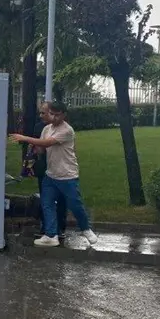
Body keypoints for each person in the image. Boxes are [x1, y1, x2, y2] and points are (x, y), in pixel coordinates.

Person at [9, 101, 98, 247]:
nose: (54, 118)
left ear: (64, 114)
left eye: (57, 115)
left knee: (75, 205)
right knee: (47, 203)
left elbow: (47, 143)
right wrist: (33, 150)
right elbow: (42, 149)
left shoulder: (67, 130)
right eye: (52, 114)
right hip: (51, 175)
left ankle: (86, 229)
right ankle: (51, 235)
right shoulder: (46, 129)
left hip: (67, 175)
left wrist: (25, 138)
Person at [32, 102, 67, 238]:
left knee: (61, 198)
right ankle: (47, 226)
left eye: (44, 112)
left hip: (60, 168)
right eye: (40, 112)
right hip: (44, 167)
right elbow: (38, 148)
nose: (41, 115)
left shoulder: (62, 128)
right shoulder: (39, 127)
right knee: (46, 198)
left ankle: (60, 226)